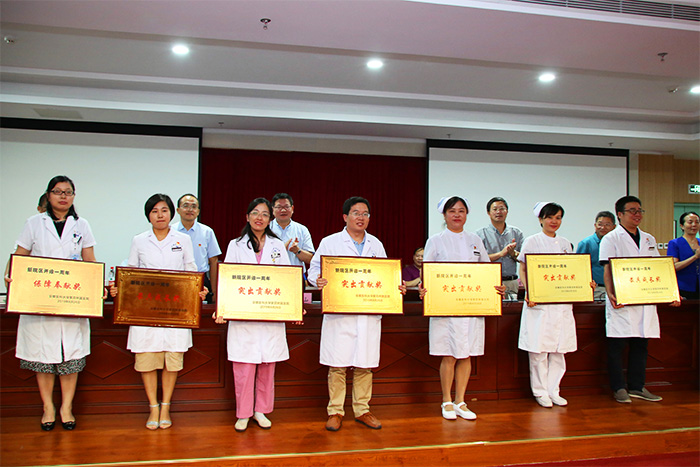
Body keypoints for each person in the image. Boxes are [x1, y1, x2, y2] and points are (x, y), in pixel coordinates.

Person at [5, 175, 97, 431]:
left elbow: (90, 262)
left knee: (70, 360)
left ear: (73, 196)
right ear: (48, 195)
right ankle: (48, 407)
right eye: (58, 192)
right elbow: (19, 256)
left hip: (71, 302)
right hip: (40, 302)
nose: (63, 196)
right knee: (43, 359)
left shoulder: (82, 225)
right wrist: (10, 277)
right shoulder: (34, 223)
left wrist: (95, 289)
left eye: (68, 192)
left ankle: (67, 407)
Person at [308, 196, 406, 432]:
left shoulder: (376, 244)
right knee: (337, 365)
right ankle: (335, 411)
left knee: (365, 364)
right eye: (356, 213)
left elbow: (385, 275)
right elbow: (314, 269)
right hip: (340, 313)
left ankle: (362, 409)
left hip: (367, 313)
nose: (361, 217)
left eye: (365, 214)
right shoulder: (330, 242)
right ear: (345, 217)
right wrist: (317, 279)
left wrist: (396, 286)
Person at [111, 194, 207, 430]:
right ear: (148, 215)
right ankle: (153, 406)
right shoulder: (139, 240)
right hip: (146, 312)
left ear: (171, 213)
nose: (160, 215)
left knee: (171, 360)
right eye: (154, 211)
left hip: (175, 311)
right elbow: (131, 271)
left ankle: (166, 406)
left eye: (164, 210)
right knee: (147, 359)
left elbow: (190, 271)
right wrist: (119, 287)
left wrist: (199, 290)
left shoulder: (183, 240)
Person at [421, 196, 504, 420]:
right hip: (446, 308)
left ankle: (461, 401)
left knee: (466, 355)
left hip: (471, 307)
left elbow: (486, 270)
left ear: (467, 214)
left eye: (461, 211)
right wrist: (424, 288)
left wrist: (497, 287)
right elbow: (427, 272)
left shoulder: (475, 239)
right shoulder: (435, 241)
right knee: (449, 354)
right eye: (452, 211)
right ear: (444, 215)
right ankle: (446, 401)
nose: (457, 215)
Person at [214, 198, 291, 432]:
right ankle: (243, 413)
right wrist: (222, 307)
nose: (260, 218)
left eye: (265, 214)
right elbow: (227, 278)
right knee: (244, 367)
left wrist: (294, 307)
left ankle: (261, 411)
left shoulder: (277, 246)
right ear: (247, 217)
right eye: (255, 213)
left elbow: (287, 278)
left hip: (270, 314)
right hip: (244, 315)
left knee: (267, 366)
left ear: (270, 219)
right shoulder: (236, 245)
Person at [599, 195, 680, 404]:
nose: (637, 215)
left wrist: (672, 293)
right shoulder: (611, 238)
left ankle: (637, 386)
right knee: (617, 346)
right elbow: (607, 268)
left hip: (644, 299)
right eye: (632, 211)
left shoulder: (648, 238)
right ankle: (619, 388)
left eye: (639, 211)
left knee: (641, 344)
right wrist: (610, 293)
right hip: (622, 299)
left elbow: (659, 269)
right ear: (620, 214)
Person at [518, 202, 591, 408]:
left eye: (558, 217)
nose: (554, 221)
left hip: (561, 304)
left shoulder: (566, 243)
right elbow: (523, 269)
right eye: (550, 217)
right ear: (541, 219)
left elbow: (572, 272)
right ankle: (540, 391)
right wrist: (530, 292)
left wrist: (585, 284)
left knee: (559, 350)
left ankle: (554, 390)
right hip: (539, 304)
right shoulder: (532, 241)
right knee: (539, 350)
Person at [173, 194, 222, 302]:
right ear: (178, 210)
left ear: (198, 211)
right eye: (186, 206)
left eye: (194, 206)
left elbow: (213, 261)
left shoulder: (207, 232)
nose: (190, 209)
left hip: (201, 281)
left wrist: (214, 291)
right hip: (176, 280)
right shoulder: (170, 231)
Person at [476, 197, 524, 297]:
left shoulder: (516, 233)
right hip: (490, 282)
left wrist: (513, 253)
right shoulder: (480, 234)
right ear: (488, 213)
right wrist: (500, 254)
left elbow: (522, 259)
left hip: (512, 281)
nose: (499, 212)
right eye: (495, 209)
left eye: (502, 209)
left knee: (513, 306)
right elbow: (478, 259)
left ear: (507, 211)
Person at [270, 193, 314, 273]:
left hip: (296, 275)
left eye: (286, 207)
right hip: (272, 274)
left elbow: (311, 259)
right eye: (279, 207)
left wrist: (297, 251)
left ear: (292, 208)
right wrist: (281, 251)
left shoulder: (302, 229)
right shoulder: (266, 229)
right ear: (273, 210)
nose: (283, 210)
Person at [576, 211, 616, 300]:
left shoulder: (617, 243)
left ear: (614, 227)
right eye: (600, 224)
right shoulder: (586, 243)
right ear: (595, 225)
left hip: (616, 289)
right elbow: (579, 269)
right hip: (596, 290)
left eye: (607, 225)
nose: (603, 227)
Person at [667, 212, 700, 299]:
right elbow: (673, 266)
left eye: (697, 222)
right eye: (690, 222)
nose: (694, 225)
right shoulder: (675, 243)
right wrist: (695, 257)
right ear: (682, 226)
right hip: (684, 287)